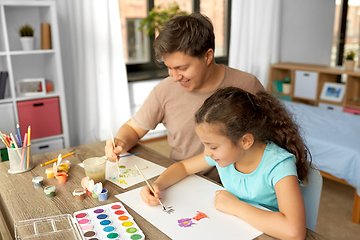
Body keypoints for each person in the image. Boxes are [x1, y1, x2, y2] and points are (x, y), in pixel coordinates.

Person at [105, 13, 264, 182]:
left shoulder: (247, 84)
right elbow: (133, 128)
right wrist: (120, 142)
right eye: (169, 68)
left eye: (181, 68)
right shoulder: (165, 89)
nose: (174, 77)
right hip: (180, 178)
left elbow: (271, 139)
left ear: (208, 56)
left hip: (237, 185)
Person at [140, 87, 311, 240]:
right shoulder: (228, 154)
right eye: (205, 145)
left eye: (212, 146)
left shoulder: (279, 165)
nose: (207, 153)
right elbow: (183, 167)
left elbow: (294, 232)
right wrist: (158, 184)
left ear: (245, 141)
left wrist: (237, 207)